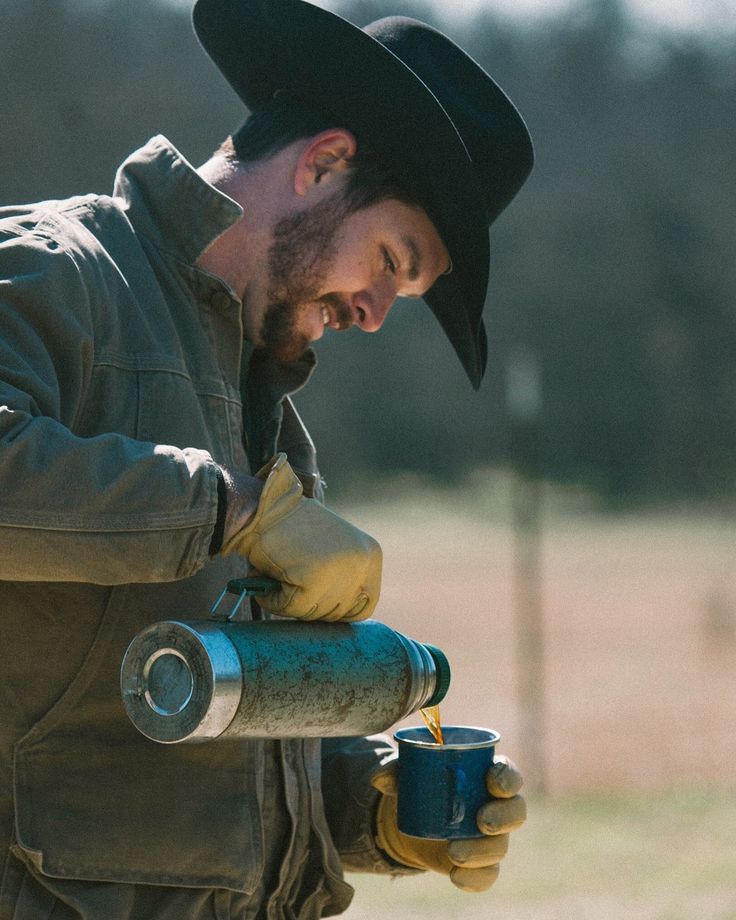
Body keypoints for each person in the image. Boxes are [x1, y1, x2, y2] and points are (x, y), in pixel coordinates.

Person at [0, 0, 534, 917]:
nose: (374, 312)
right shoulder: (54, 271)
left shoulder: (265, 412)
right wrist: (236, 514)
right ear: (323, 163)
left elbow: (202, 725)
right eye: (391, 261)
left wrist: (367, 811)